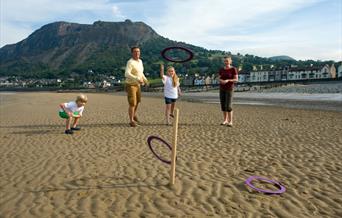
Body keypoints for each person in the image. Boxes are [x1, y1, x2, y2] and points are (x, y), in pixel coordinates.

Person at [125, 46, 149, 127]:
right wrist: (137, 78)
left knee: (138, 101)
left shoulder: (140, 62)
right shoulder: (130, 62)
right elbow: (127, 74)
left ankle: (134, 115)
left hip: (138, 85)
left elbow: (141, 73)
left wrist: (145, 80)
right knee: (132, 103)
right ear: (132, 53)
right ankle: (131, 121)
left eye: (138, 51)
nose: (137, 53)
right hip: (131, 85)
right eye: (135, 51)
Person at [218, 56, 238, 126]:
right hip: (222, 88)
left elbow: (236, 79)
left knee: (228, 106)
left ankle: (230, 121)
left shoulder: (233, 69)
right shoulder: (221, 69)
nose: (226, 62)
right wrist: (221, 81)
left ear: (230, 61)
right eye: (225, 61)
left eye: (227, 61)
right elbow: (219, 78)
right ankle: (225, 120)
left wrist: (228, 80)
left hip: (229, 89)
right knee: (223, 105)